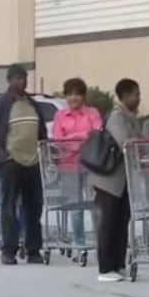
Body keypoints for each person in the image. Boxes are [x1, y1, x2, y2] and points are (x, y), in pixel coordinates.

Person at [0, 64, 48, 265]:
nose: (22, 81)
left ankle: (33, 249)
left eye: (24, 78)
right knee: (9, 207)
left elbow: (42, 132)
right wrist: (3, 157)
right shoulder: (2, 104)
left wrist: (42, 152)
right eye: (18, 78)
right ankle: (9, 250)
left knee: (34, 207)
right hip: (11, 162)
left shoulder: (32, 103)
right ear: (10, 80)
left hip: (33, 162)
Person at [92, 78, 140, 282]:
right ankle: (105, 268)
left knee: (122, 222)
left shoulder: (130, 117)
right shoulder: (117, 117)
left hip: (124, 180)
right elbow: (126, 144)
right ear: (126, 95)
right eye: (136, 94)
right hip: (109, 180)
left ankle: (118, 265)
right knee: (109, 223)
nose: (139, 99)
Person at [52, 77, 102, 248]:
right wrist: (80, 138)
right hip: (68, 165)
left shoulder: (93, 113)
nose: (74, 98)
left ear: (84, 96)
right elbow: (58, 140)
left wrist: (71, 139)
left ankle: (101, 243)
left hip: (91, 165)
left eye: (77, 94)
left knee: (95, 204)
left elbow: (96, 135)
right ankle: (79, 244)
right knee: (75, 206)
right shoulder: (60, 115)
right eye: (70, 94)